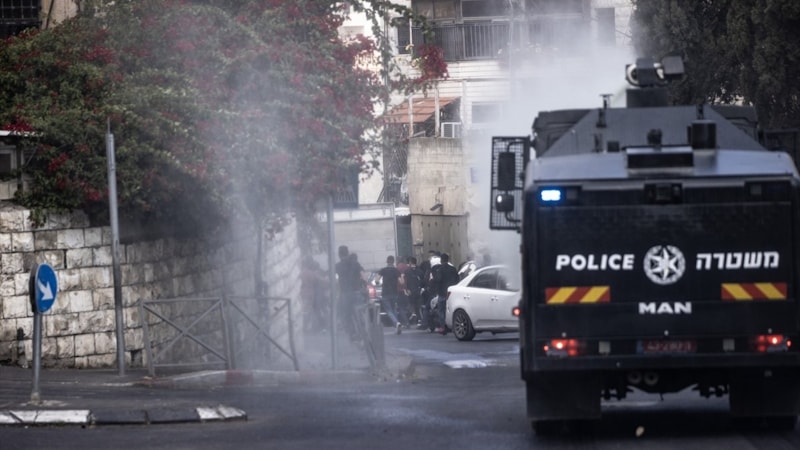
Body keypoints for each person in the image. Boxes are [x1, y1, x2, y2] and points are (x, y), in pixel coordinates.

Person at [335, 246, 366, 340]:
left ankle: (352, 333)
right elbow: (363, 275)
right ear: (347, 253)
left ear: (339, 254)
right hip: (356, 292)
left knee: (346, 315)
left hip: (345, 294)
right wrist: (364, 284)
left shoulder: (337, 266)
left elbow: (332, 279)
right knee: (359, 312)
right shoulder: (355, 263)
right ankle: (363, 331)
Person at [429, 252, 460, 335]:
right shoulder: (453, 269)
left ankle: (443, 327)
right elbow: (457, 279)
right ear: (448, 259)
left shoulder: (440, 269)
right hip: (452, 292)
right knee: (451, 309)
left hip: (442, 292)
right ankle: (453, 326)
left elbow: (438, 280)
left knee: (441, 310)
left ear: (441, 260)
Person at [378, 255, 404, 334]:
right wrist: (401, 276)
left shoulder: (383, 270)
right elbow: (401, 282)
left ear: (387, 261)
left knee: (389, 310)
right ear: (393, 262)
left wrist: (378, 283)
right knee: (394, 309)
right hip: (394, 292)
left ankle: (396, 323)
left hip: (385, 293)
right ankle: (396, 326)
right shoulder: (396, 271)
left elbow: (376, 279)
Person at [402, 256, 424, 328]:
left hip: (410, 290)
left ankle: (413, 313)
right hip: (418, 290)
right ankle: (419, 320)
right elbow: (423, 281)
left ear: (410, 262)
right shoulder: (420, 271)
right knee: (418, 305)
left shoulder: (407, 271)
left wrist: (406, 289)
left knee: (411, 304)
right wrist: (422, 288)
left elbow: (405, 281)